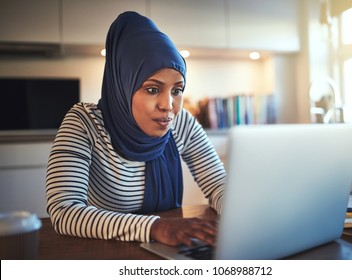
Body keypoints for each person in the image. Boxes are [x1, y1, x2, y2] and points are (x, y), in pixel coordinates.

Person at [45, 11, 225, 247]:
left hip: (169, 250)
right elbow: (65, 211)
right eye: (152, 89)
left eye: (176, 90)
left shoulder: (181, 123)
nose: (168, 106)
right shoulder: (84, 123)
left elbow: (218, 185)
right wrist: (155, 227)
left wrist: (244, 215)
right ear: (123, 84)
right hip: (105, 252)